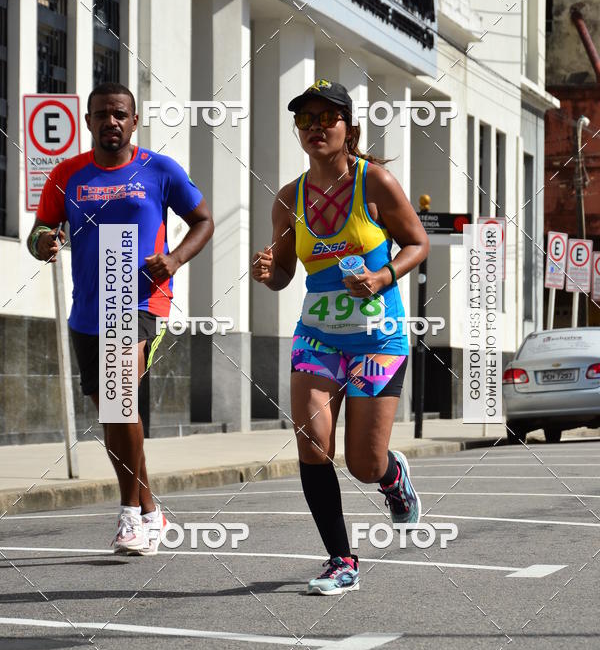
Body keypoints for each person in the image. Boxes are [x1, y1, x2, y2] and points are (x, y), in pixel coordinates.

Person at [252, 79, 429, 594]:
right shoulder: (289, 199)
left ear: (348, 129)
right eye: (304, 120)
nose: (314, 128)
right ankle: (340, 559)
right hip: (318, 335)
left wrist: (381, 277)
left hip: (379, 337)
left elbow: (416, 243)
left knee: (364, 463)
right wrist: (269, 271)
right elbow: (285, 271)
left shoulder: (375, 183)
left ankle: (393, 478)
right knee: (311, 442)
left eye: (325, 118)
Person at [27, 82, 214, 555]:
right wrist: (44, 242)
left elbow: (203, 220)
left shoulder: (160, 169)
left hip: (140, 299)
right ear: (88, 122)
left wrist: (173, 261)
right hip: (89, 304)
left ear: (134, 121)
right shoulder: (66, 174)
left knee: (118, 398)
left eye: (120, 114)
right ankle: (152, 510)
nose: (111, 121)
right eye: (101, 114)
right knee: (111, 413)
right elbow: (40, 230)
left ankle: (129, 515)